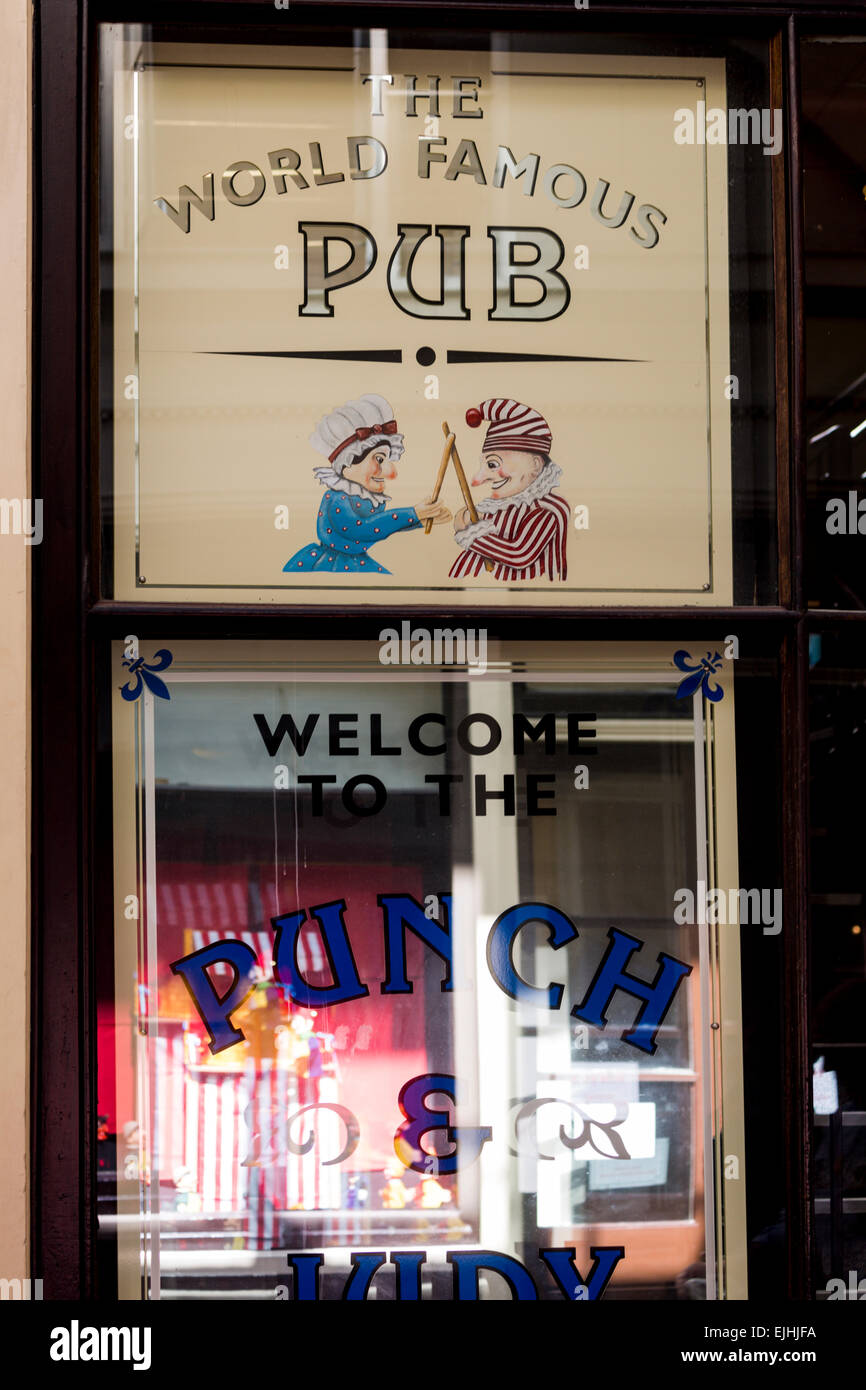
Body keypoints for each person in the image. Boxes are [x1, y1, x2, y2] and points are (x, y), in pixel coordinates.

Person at [284, 393, 450, 575]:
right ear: (347, 463)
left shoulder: (365, 498)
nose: (390, 473)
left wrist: (420, 520)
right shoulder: (337, 498)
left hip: (358, 561)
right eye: (379, 459)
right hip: (331, 566)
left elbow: (381, 528)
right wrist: (412, 514)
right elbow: (363, 529)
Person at [449, 398, 569, 581]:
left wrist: (471, 534)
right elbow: (470, 520)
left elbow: (519, 555)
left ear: (535, 465)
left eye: (493, 464)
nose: (477, 479)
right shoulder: (500, 506)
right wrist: (463, 517)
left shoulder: (546, 510)